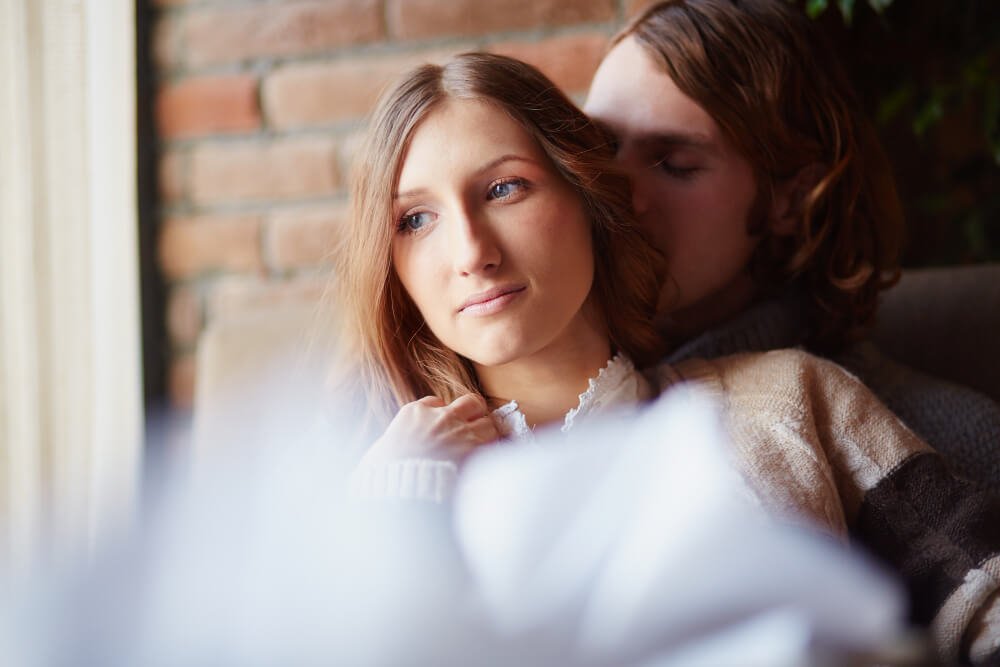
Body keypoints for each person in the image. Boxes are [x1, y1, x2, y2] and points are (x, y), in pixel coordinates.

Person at [334, 51, 1000, 664]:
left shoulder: (792, 396)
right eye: (415, 220)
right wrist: (391, 515)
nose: (471, 252)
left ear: (590, 197)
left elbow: (984, 595)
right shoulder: (373, 482)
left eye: (504, 188)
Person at [583, 0, 1000, 492]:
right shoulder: (526, 402)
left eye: (674, 163)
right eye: (600, 148)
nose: (614, 191)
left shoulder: (952, 444)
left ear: (794, 199)